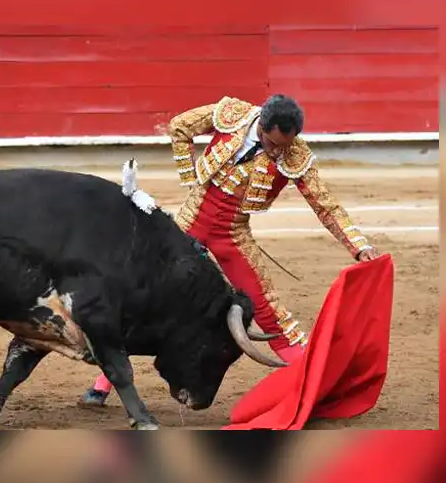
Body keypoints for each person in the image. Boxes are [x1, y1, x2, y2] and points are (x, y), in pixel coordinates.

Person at [80, 94, 381, 407]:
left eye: (284, 146)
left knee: (268, 309)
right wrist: (189, 177)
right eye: (271, 143)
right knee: (143, 299)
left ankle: (313, 386)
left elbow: (325, 204)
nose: (277, 152)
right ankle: (102, 384)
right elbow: (180, 127)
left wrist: (358, 246)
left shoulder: (295, 154)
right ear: (261, 126)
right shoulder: (233, 114)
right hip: (186, 227)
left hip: (232, 233)